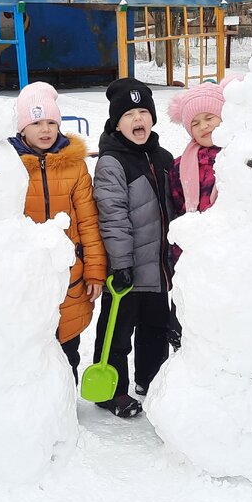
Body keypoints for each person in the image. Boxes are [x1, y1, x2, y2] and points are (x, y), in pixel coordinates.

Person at [92, 77, 175, 419]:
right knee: (118, 332)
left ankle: (150, 380)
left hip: (157, 266)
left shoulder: (164, 157)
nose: (137, 120)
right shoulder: (112, 162)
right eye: (129, 114)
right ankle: (111, 391)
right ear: (116, 122)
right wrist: (121, 264)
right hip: (125, 269)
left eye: (143, 112)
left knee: (156, 327)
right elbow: (112, 216)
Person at [9, 81, 106, 376]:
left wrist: (95, 271)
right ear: (22, 128)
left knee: (67, 346)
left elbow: (89, 220)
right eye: (36, 122)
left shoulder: (74, 166)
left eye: (51, 122)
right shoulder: (8, 165)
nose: (45, 129)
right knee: (29, 348)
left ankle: (63, 409)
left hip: (69, 272)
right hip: (26, 275)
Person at [168, 81, 225, 218]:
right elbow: (179, 210)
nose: (203, 126)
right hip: (197, 235)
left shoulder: (242, 156)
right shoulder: (180, 167)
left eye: (209, 118)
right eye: (195, 123)